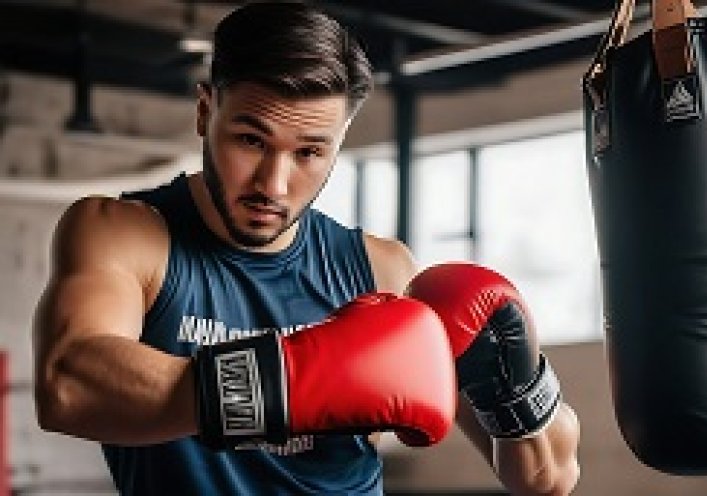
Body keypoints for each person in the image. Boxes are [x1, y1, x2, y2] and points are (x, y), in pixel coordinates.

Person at [33, 1, 580, 494]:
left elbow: (544, 479)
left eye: (309, 153)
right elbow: (70, 384)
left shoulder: (380, 268)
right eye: (251, 140)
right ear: (206, 113)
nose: (273, 183)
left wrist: (516, 384)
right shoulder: (128, 233)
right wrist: (294, 380)